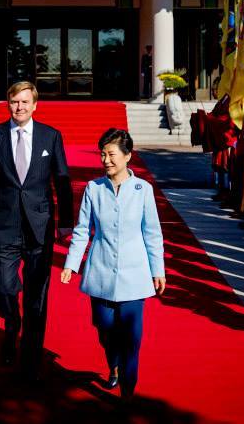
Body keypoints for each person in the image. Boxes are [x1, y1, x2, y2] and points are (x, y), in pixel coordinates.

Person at [0, 81, 73, 382]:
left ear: (35, 105)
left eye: (25, 102)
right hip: (3, 226)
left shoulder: (51, 136)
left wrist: (66, 221)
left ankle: (30, 356)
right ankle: (11, 324)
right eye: (15, 102)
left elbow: (62, 182)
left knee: (37, 296)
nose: (20, 107)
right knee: (4, 287)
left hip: (40, 228)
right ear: (8, 104)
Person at [61, 128, 165, 400]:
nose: (106, 160)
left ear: (128, 156)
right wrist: (71, 265)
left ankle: (128, 393)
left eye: (112, 154)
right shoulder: (93, 188)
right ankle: (114, 363)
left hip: (135, 274)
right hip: (101, 272)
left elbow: (152, 232)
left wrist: (158, 271)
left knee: (132, 337)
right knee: (105, 329)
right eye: (103, 154)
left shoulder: (143, 190)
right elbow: (83, 230)